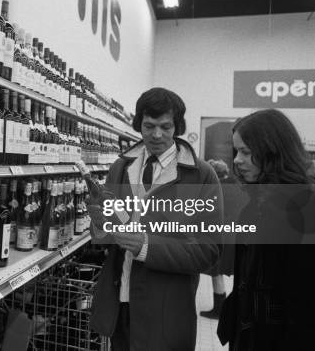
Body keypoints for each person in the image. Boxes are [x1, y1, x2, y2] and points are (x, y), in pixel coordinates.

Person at [89, 87, 223, 351]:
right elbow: (105, 237)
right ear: (139, 124)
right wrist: (99, 221)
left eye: (165, 126)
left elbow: (209, 249)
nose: (156, 135)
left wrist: (146, 247)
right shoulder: (121, 167)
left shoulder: (200, 176)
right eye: (149, 126)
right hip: (120, 303)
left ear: (178, 127)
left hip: (166, 310)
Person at [217, 109, 315, 351]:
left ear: (272, 152)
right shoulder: (257, 201)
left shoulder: (303, 207)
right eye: (237, 151)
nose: (237, 160)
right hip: (252, 332)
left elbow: (308, 300)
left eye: (246, 152)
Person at [199, 159, 244, 319]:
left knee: (216, 272)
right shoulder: (239, 186)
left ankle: (220, 309)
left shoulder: (216, 189)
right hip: (236, 235)